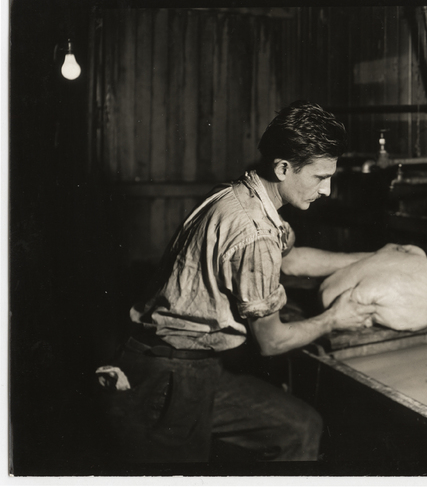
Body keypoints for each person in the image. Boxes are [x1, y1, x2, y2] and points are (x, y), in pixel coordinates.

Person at [98, 100, 387, 463]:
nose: (327, 189)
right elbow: (272, 341)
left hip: (187, 364)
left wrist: (374, 258)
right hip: (170, 377)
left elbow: (290, 257)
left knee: (299, 428)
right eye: (319, 177)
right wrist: (334, 318)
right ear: (283, 168)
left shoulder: (239, 193)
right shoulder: (255, 232)